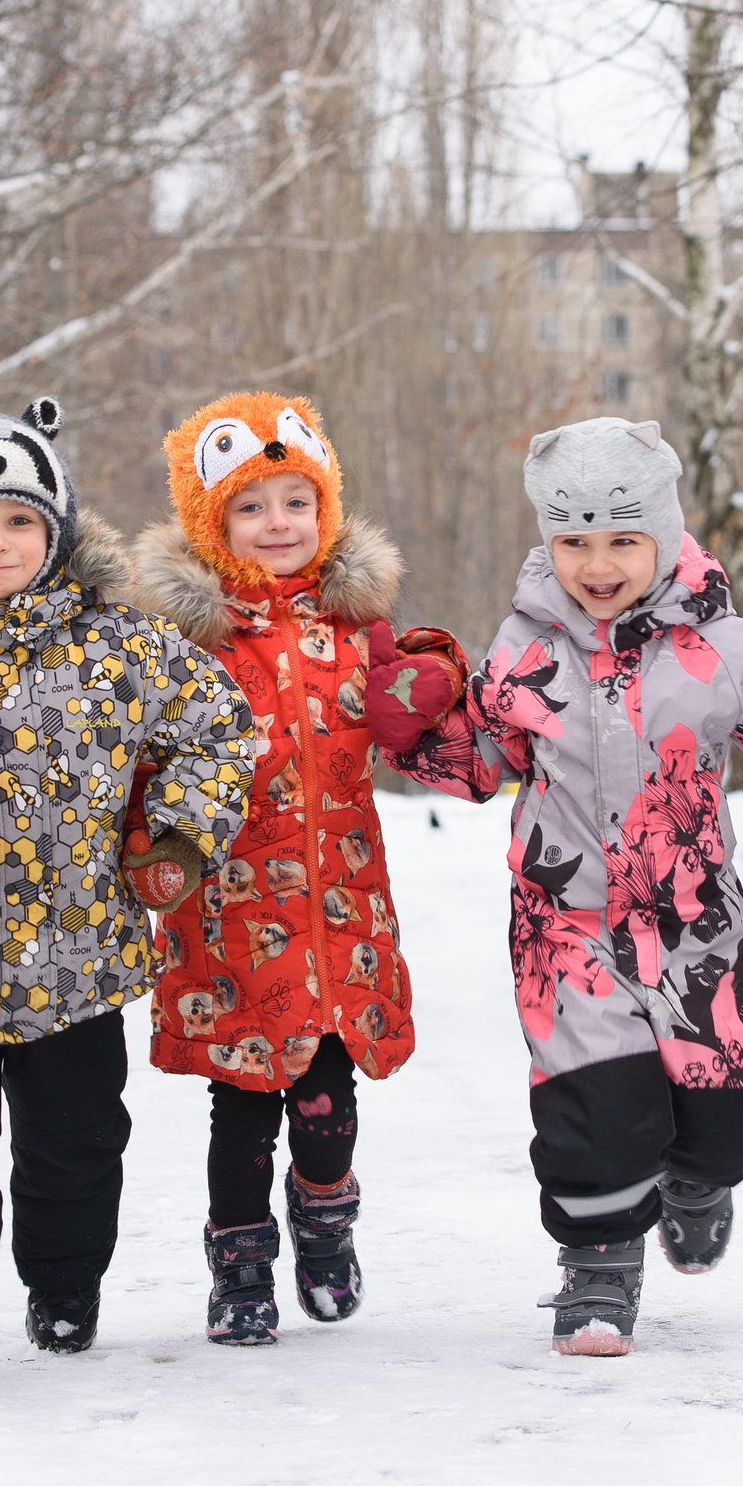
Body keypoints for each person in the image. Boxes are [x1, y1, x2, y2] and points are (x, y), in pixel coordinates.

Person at [394, 416, 743, 1356]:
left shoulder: (723, 648)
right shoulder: (524, 648)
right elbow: (481, 757)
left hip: (699, 922)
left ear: (663, 535)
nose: (597, 562)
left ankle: (700, 1178)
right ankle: (598, 1274)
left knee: (725, 1105)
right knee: (594, 1102)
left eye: (622, 539)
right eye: (573, 540)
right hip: (565, 921)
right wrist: (411, 724)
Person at [0, 394, 253, 1388]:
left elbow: (218, 728)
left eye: (19, 520)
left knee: (74, 1148)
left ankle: (65, 1284)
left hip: (82, 958)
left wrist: (175, 834)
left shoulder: (124, 647)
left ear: (57, 527)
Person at [129, 392, 470, 1347]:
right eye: (251, 505)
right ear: (212, 522)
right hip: (230, 913)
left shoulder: (355, 627)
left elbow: (414, 701)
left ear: (325, 510)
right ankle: (239, 1265)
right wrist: (146, 846)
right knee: (240, 1101)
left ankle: (325, 1219)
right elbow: (142, 762)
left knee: (326, 1095)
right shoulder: (187, 645)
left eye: (296, 501)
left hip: (339, 907)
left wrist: (434, 669)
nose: (278, 523)